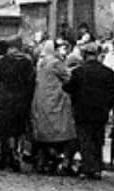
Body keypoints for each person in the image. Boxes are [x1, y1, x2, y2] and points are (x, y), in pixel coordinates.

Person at [63, 42, 114, 179]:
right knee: (98, 140)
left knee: (85, 140)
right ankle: (97, 168)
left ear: (84, 55)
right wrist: (107, 107)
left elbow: (68, 88)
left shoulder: (78, 72)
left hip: (82, 111)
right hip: (100, 112)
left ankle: (88, 168)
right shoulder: (107, 73)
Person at [30, 39, 76, 174]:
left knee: (44, 133)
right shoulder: (55, 63)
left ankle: (43, 161)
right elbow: (68, 77)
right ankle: (65, 162)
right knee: (65, 132)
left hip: (41, 100)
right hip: (55, 100)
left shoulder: (40, 63)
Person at [0, 37, 36, 171]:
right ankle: (16, 152)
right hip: (21, 101)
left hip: (5, 100)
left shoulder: (2, 62)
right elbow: (31, 83)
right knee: (18, 130)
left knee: (5, 129)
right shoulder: (27, 63)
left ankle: (5, 155)